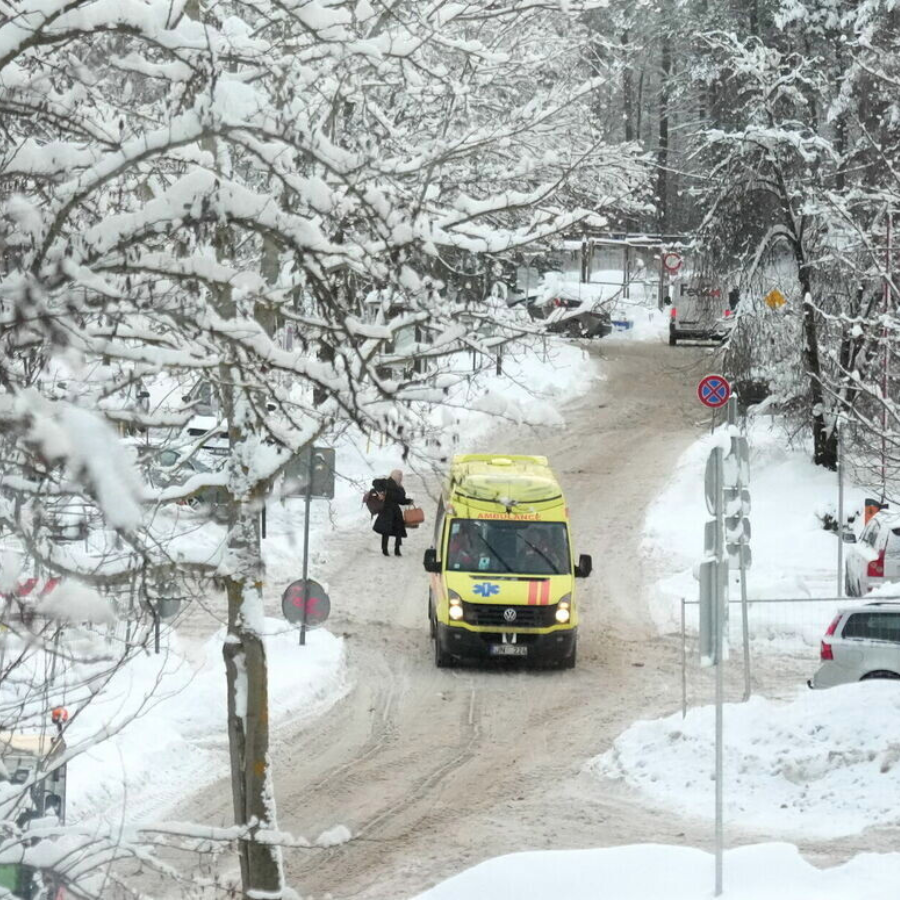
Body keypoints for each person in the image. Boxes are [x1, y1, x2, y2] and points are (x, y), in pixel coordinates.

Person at [372, 469, 413, 557]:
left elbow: (400, 500)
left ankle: (397, 549)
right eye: (398, 475)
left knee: (398, 531)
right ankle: (384, 549)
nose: (400, 477)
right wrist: (381, 492)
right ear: (393, 475)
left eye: (401, 475)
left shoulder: (400, 487)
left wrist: (408, 501)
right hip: (386, 510)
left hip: (395, 511)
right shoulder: (386, 482)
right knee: (385, 531)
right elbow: (375, 482)